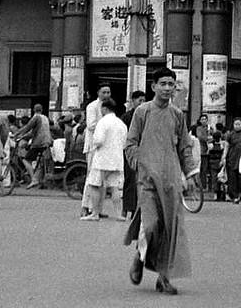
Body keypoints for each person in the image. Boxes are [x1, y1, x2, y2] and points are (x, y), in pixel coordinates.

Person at [124, 67, 200, 295]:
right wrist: (139, 164)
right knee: (150, 225)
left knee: (171, 229)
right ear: (154, 86)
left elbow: (185, 147)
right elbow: (131, 143)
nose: (168, 88)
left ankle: (164, 278)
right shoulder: (142, 112)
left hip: (171, 179)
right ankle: (140, 256)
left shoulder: (178, 115)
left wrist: (191, 174)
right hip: (147, 180)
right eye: (163, 84)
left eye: (171, 84)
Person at [84, 96, 128, 221]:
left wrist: (94, 145)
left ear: (104, 109)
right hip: (117, 159)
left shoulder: (102, 122)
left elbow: (98, 140)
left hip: (102, 159)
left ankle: (95, 213)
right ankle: (119, 214)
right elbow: (124, 143)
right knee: (115, 187)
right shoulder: (121, 124)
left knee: (94, 184)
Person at [121, 90, 146, 217]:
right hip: (130, 152)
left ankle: (139, 209)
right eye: (139, 100)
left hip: (144, 152)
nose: (142, 103)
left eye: (143, 100)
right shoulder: (126, 117)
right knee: (130, 180)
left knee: (143, 181)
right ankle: (126, 208)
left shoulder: (147, 115)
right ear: (133, 101)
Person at [16, 103, 52, 188]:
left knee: (26, 160)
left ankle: (34, 179)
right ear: (42, 110)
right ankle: (36, 177)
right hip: (47, 142)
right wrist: (24, 136)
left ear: (33, 110)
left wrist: (16, 134)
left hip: (39, 143)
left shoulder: (36, 117)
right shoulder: (45, 118)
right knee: (37, 161)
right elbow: (34, 132)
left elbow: (27, 127)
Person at [225, 117, 241, 203]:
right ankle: (234, 197)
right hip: (232, 159)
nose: (237, 126)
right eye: (235, 124)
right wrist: (224, 157)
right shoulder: (230, 135)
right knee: (232, 179)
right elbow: (226, 147)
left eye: (239, 124)